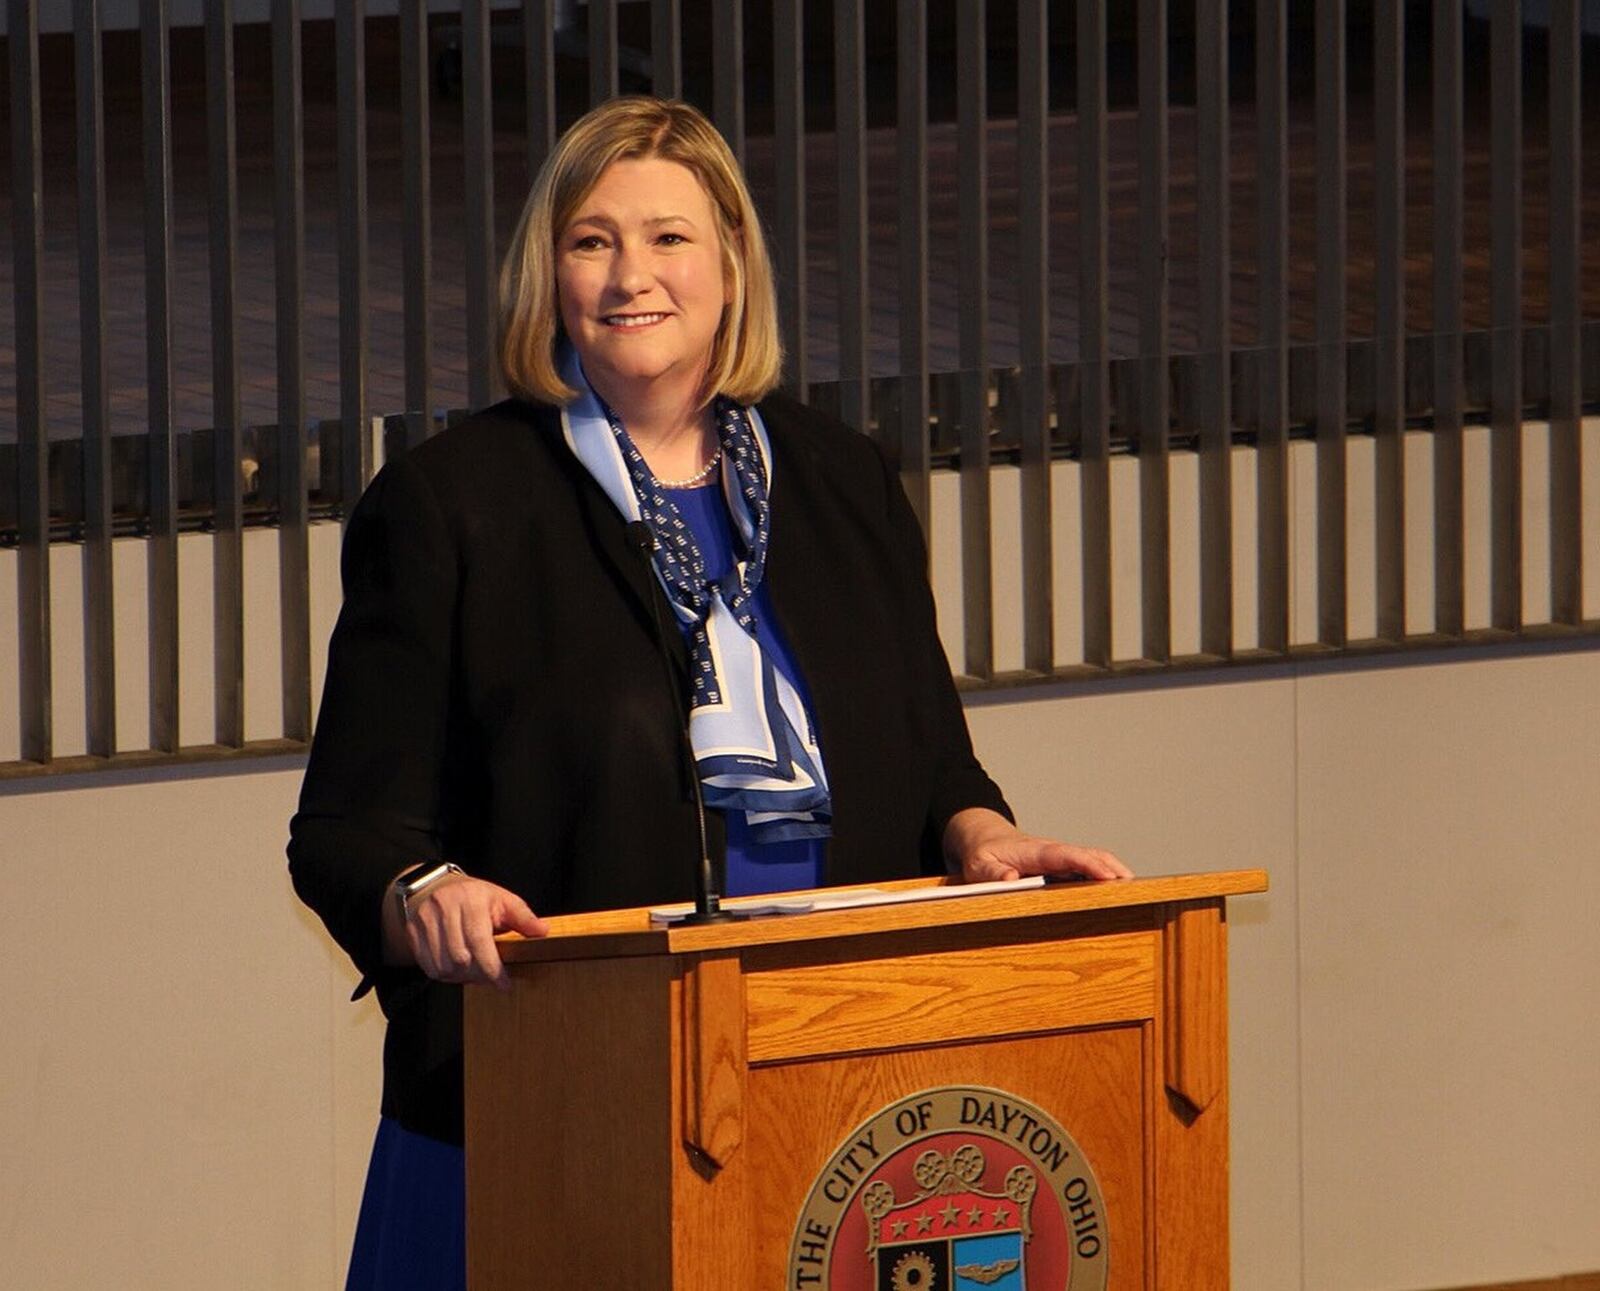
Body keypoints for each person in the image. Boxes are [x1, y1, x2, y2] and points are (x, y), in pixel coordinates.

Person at [288, 95, 1130, 1290]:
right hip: (546, 1105)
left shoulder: (844, 482)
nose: (631, 274)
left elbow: (936, 764)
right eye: (591, 240)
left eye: (669, 237)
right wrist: (423, 891)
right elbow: (344, 830)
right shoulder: (450, 505)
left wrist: (984, 840)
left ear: (731, 262)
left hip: (827, 1088)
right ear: (550, 274)